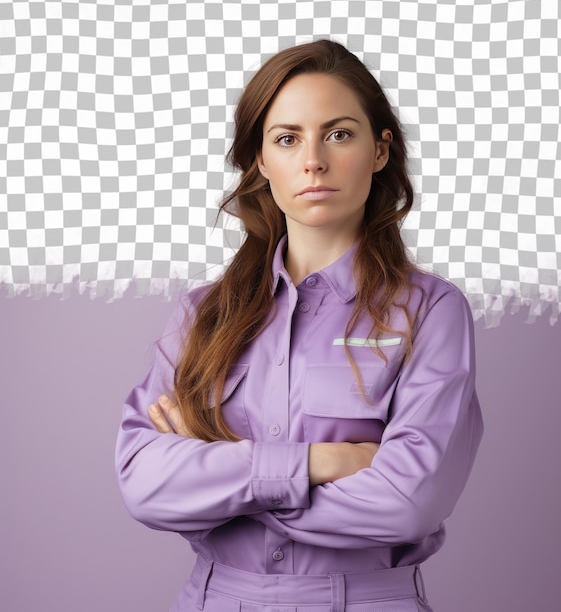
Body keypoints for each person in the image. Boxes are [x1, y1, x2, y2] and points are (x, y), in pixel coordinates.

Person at [115, 39, 483, 611]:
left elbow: (408, 501)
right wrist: (322, 462)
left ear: (380, 150)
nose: (313, 159)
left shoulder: (430, 311)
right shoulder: (201, 315)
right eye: (287, 139)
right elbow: (144, 484)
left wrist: (220, 480)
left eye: (339, 134)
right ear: (262, 161)